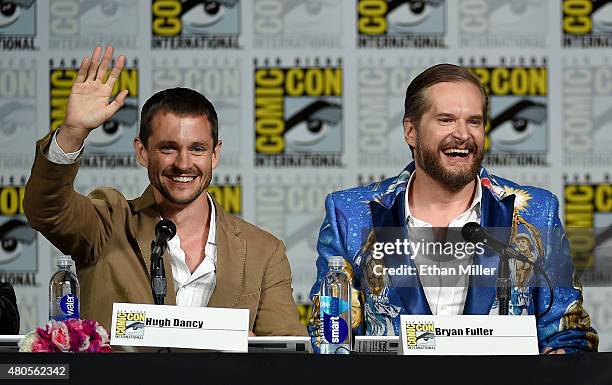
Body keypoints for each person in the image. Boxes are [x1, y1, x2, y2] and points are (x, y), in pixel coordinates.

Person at [308, 64, 598, 353]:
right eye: (446, 120)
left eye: (474, 121)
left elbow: (570, 333)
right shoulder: (350, 213)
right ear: (411, 131)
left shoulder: (534, 212)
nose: (462, 135)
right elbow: (330, 336)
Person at [24, 46, 306, 336]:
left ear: (215, 155)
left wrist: (248, 350)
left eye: (197, 149)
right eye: (168, 148)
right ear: (142, 151)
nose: (183, 164)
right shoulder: (108, 225)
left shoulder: (263, 251)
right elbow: (47, 209)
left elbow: (285, 350)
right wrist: (73, 133)